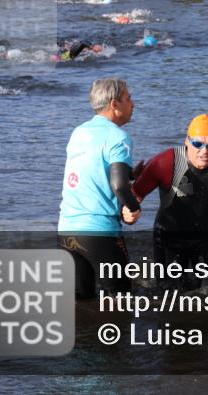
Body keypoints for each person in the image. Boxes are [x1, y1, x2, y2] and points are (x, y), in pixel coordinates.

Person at [132, 114, 208, 288]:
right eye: (197, 144)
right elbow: (135, 195)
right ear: (187, 141)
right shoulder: (164, 162)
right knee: (169, 291)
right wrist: (128, 211)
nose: (204, 151)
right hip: (169, 237)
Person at [58, 78, 140, 299]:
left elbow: (93, 170)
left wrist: (133, 174)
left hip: (67, 230)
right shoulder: (118, 137)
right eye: (128, 98)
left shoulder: (78, 132)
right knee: (121, 300)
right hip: (100, 232)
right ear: (114, 104)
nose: (133, 104)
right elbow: (119, 185)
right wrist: (133, 207)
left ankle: (84, 335)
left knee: (80, 302)